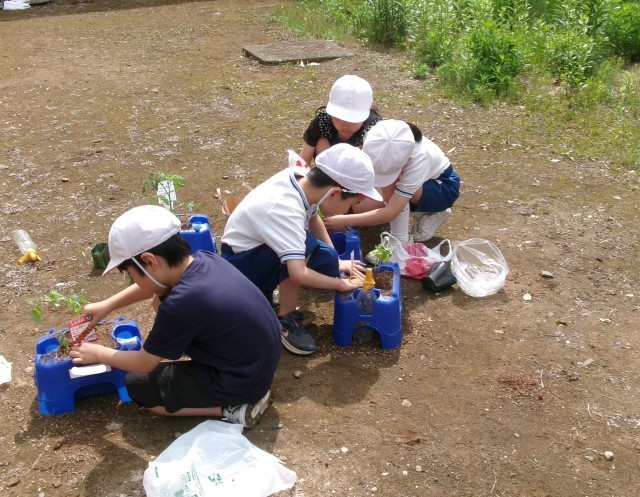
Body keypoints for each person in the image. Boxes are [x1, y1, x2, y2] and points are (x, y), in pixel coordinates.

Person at [69, 205, 281, 428]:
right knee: (160, 299)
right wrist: (108, 305)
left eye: (131, 274)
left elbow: (143, 363)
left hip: (243, 380)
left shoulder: (181, 303)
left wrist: (99, 353)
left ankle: (233, 409)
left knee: (138, 386)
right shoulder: (204, 259)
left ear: (150, 261)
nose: (134, 280)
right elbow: (153, 287)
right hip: (260, 363)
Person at [221, 144, 382, 356]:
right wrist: (340, 284)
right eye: (352, 204)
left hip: (253, 253)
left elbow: (313, 217)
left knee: (326, 258)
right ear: (335, 193)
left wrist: (337, 261)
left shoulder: (303, 180)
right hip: (240, 269)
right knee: (304, 245)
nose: (347, 211)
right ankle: (285, 318)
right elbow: (298, 273)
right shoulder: (284, 208)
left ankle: (264, 294)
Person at [323, 119, 460, 257]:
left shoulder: (419, 158)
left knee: (393, 196)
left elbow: (391, 211)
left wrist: (344, 220)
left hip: (443, 188)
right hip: (412, 182)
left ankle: (401, 239)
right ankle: (412, 214)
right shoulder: (379, 136)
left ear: (408, 158)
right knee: (361, 208)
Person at [300, 75, 383, 166]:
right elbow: (303, 160)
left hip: (358, 170)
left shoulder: (374, 128)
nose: (346, 125)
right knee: (321, 142)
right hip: (325, 169)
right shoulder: (323, 121)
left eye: (354, 119)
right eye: (339, 117)